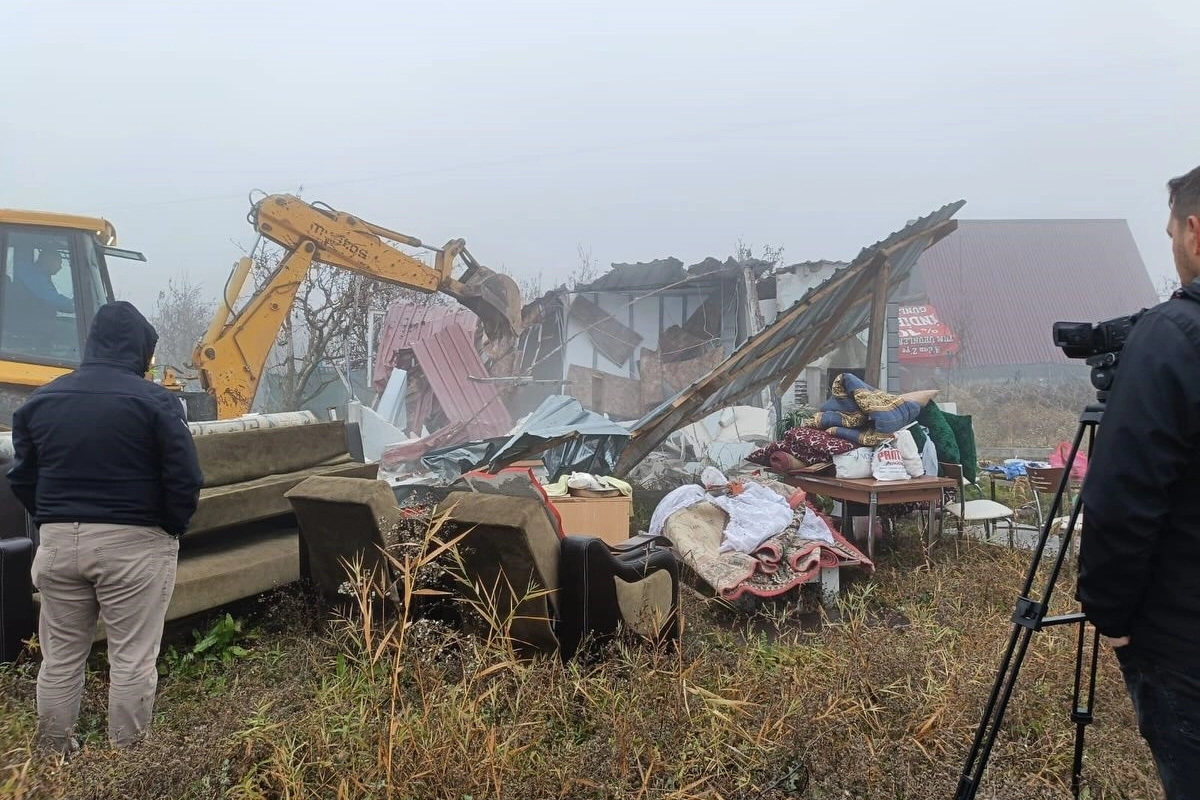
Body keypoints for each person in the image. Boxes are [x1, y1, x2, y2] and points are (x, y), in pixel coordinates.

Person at [7, 300, 203, 757]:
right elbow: (185, 477)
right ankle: (127, 762)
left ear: (92, 343)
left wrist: (53, 517)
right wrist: (169, 527)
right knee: (132, 659)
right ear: (140, 351)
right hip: (133, 545)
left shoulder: (42, 401)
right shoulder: (155, 401)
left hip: (57, 545)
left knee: (59, 660)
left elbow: (22, 476)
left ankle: (54, 754)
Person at [1078, 163, 1200, 799]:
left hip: (1182, 644)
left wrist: (1110, 613)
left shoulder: (1173, 338)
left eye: (1171, 235)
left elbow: (1120, 502)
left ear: (1196, 235)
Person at [14, 247, 76, 314]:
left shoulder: (33, 272)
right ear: (49, 260)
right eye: (59, 263)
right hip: (32, 319)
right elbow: (52, 299)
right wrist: (72, 304)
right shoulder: (36, 275)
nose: (60, 267)